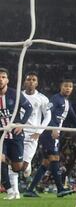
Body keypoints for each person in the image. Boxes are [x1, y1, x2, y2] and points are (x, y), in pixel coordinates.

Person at [24, 78, 76, 198]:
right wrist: (53, 127)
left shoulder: (67, 102)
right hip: (49, 133)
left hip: (55, 133)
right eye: (66, 86)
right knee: (55, 158)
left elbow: (74, 118)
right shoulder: (55, 99)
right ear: (61, 86)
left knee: (46, 163)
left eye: (70, 86)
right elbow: (47, 112)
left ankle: (30, 190)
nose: (68, 88)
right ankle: (60, 189)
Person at [10, 72, 50, 200]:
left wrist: (39, 131)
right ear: (24, 82)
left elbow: (48, 116)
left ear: (37, 83)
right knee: (13, 163)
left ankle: (28, 166)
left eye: (34, 80)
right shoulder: (17, 96)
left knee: (23, 167)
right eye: (29, 79)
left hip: (32, 135)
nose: (31, 82)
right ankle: (15, 192)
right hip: (17, 132)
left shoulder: (43, 98)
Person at [0, 68, 32, 201]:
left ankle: (26, 165)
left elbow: (29, 107)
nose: (0, 79)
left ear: (7, 80)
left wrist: (22, 123)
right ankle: (10, 190)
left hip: (16, 135)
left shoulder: (15, 94)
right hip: (1, 135)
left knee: (17, 167)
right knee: (0, 159)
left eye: (3, 77)